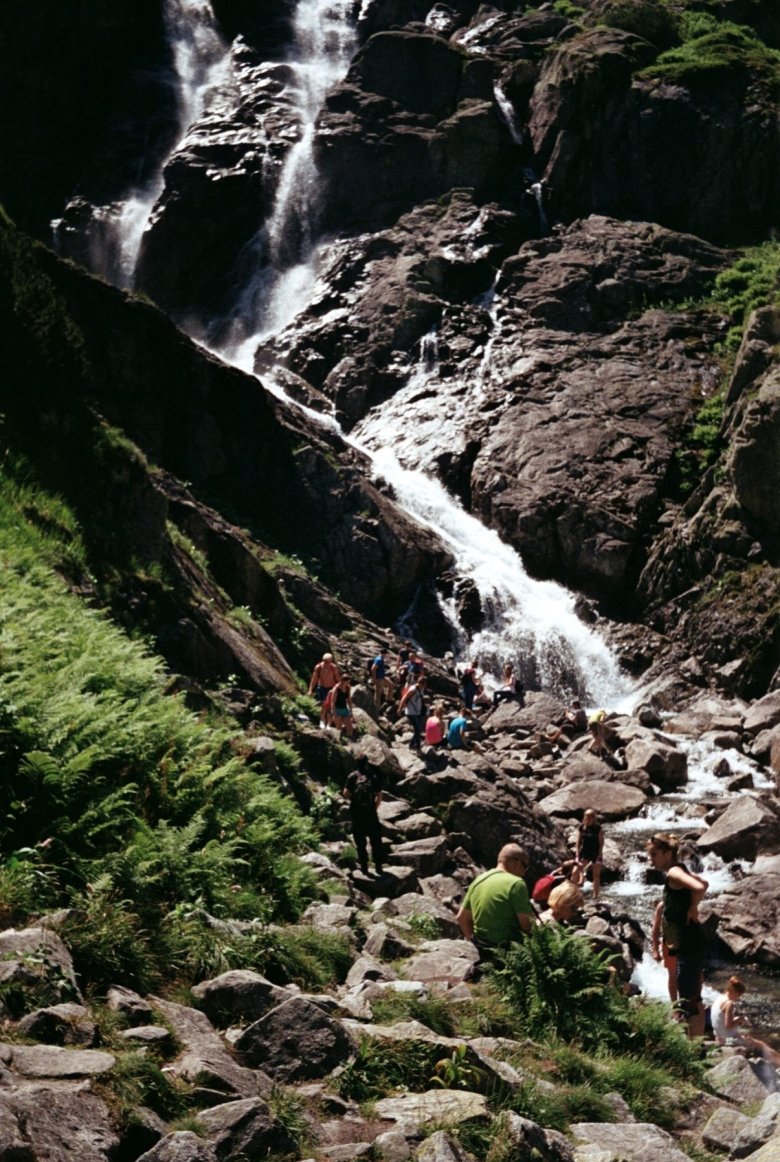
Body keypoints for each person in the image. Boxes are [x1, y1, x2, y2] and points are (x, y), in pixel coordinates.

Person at [646, 833, 709, 1038]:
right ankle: (695, 1043)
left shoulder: (674, 872)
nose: (651, 860)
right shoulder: (678, 870)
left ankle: (695, 1047)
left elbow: (699, 887)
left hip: (689, 942)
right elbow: (704, 883)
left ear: (667, 853)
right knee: (690, 995)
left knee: (690, 999)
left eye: (654, 854)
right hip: (687, 942)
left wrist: (692, 907)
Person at [456, 844, 535, 965]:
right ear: (515, 862)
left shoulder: (478, 880)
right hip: (509, 952)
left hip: (483, 949)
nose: (524, 873)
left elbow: (461, 918)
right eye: (524, 866)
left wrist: (475, 945)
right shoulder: (516, 883)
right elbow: (527, 927)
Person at [710, 977, 780, 1063]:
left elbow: (721, 1019)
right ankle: (778, 1062)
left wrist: (738, 1020)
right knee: (761, 1045)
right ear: (734, 992)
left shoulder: (719, 999)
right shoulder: (729, 1004)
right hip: (727, 1039)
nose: (738, 998)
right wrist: (740, 1019)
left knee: (749, 1037)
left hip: (718, 1035)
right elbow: (728, 1026)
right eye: (739, 995)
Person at [343, 757, 383, 876]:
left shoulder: (352, 776)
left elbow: (345, 793)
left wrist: (353, 800)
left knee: (360, 841)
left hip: (357, 813)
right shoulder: (372, 776)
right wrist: (374, 807)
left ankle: (364, 867)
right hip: (370, 812)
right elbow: (379, 795)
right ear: (367, 763)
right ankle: (379, 866)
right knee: (375, 840)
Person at [650, 900, 678, 1002]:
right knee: (672, 974)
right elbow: (655, 929)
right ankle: (675, 1005)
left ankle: (689, 1001)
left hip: (685, 942)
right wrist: (655, 949)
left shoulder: (686, 900)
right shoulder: (662, 906)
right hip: (669, 942)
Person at [575, 809, 604, 900]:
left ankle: (595, 895)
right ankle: (577, 889)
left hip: (595, 853)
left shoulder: (597, 828)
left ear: (592, 818)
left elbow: (601, 842)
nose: (585, 818)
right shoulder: (582, 827)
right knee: (576, 870)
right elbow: (578, 841)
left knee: (596, 875)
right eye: (585, 816)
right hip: (585, 852)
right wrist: (577, 853)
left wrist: (599, 854)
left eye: (587, 817)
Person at [308, 652, 341, 727]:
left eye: (328, 662)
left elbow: (337, 679)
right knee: (323, 705)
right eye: (325, 661)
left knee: (329, 706)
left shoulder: (333, 668)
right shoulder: (318, 667)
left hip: (331, 688)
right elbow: (314, 679)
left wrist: (339, 688)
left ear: (331, 661)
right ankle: (322, 721)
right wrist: (310, 689)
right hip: (322, 688)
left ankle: (329, 723)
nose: (326, 664)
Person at [399, 675, 427, 750]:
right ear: (421, 683)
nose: (424, 686)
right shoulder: (413, 689)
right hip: (410, 712)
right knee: (418, 729)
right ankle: (412, 744)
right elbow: (404, 698)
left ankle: (417, 745)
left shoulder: (421, 689)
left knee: (419, 729)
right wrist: (399, 709)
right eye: (424, 684)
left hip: (417, 712)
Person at [331, 675, 355, 739]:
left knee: (350, 728)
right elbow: (333, 701)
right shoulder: (336, 688)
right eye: (347, 682)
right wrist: (334, 712)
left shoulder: (348, 688)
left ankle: (349, 741)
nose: (348, 683)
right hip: (337, 709)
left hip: (344, 709)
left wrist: (351, 710)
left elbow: (349, 699)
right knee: (339, 729)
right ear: (343, 681)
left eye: (349, 682)